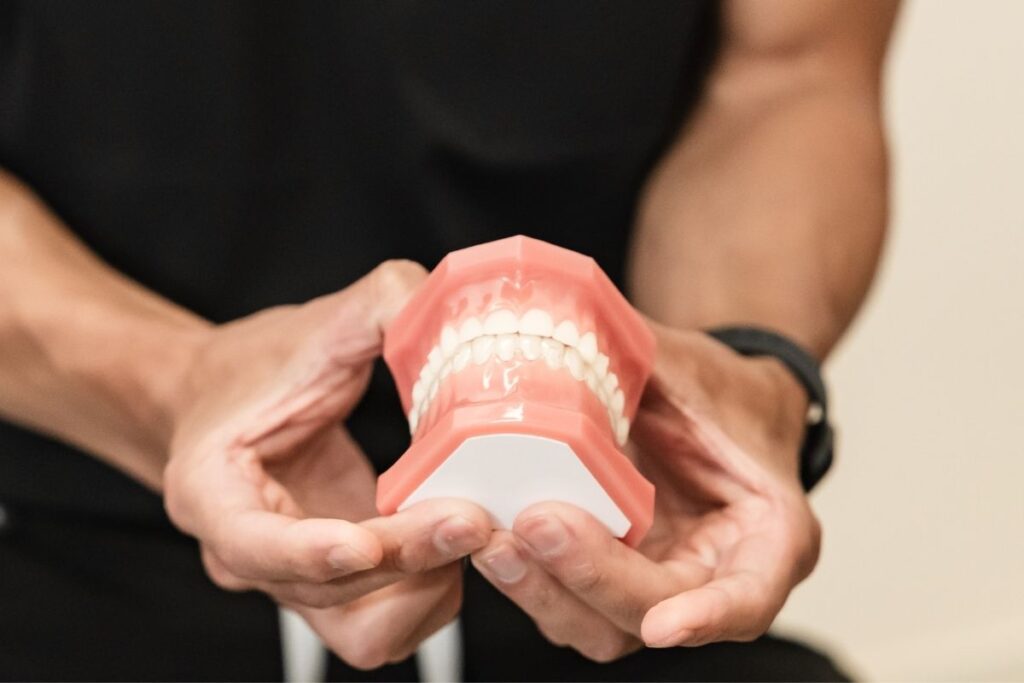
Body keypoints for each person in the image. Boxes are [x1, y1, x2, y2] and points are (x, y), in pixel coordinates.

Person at [0, 1, 898, 681]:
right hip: (86, 539)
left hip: (626, 555)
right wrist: (170, 387)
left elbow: (789, 72)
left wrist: (744, 366)